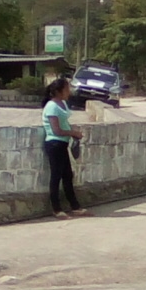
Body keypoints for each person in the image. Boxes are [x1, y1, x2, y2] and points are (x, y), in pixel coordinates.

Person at [43, 77, 89, 219]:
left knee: (67, 175)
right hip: (54, 144)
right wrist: (72, 133)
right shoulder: (51, 106)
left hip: (62, 144)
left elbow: (64, 123)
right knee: (56, 176)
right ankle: (56, 209)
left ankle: (75, 207)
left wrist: (72, 133)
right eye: (67, 89)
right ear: (59, 91)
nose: (69, 91)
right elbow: (56, 130)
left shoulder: (62, 103)